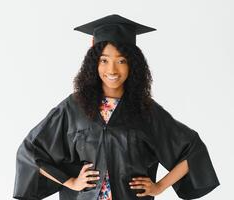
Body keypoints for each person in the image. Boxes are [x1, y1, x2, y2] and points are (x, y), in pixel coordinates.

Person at [13, 14, 220, 200]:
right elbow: (30, 151)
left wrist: (159, 187)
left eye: (121, 61)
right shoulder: (74, 107)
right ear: (94, 62)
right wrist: (70, 182)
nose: (112, 69)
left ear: (133, 64)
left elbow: (193, 149)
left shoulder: (145, 110)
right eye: (104, 60)